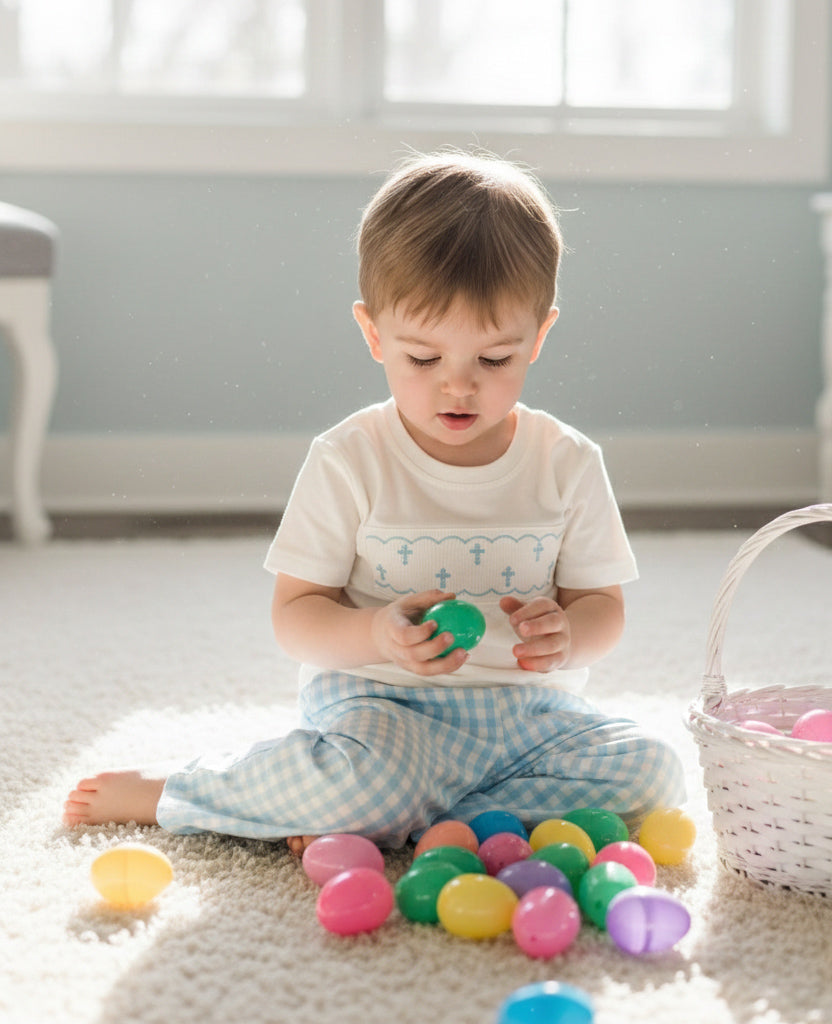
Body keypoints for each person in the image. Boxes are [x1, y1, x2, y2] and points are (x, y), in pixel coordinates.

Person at [64, 151, 685, 852]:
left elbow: (602, 608)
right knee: (372, 777)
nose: (458, 387)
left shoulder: (566, 461)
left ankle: (407, 817)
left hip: (526, 715)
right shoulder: (349, 457)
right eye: (423, 360)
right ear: (373, 334)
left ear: (538, 337)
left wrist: (570, 635)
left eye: (494, 360)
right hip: (381, 705)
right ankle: (181, 792)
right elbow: (296, 618)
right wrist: (376, 635)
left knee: (654, 772)